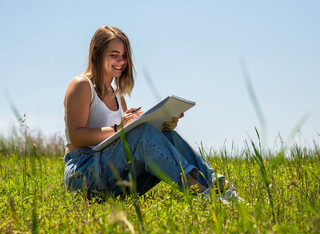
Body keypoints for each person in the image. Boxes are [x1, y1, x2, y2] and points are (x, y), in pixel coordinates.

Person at [63, 26, 237, 201]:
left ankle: (215, 185)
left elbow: (130, 142)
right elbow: (76, 136)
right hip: (82, 172)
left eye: (124, 56)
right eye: (114, 55)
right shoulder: (81, 85)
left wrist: (162, 126)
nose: (121, 61)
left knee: (167, 136)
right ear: (97, 53)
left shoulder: (118, 96)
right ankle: (201, 194)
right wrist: (120, 127)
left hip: (112, 176)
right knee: (142, 133)